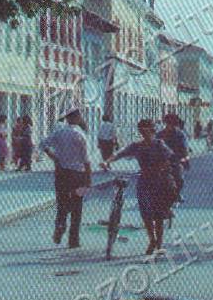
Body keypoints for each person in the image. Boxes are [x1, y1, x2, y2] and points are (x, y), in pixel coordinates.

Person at [103, 119, 182, 255]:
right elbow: (120, 153)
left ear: (152, 131)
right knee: (145, 213)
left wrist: (162, 167)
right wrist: (107, 162)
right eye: (142, 131)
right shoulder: (136, 146)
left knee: (158, 214)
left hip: (159, 180)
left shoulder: (159, 145)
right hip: (145, 181)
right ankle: (152, 239)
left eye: (147, 131)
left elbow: (171, 158)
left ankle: (159, 244)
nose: (145, 134)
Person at [39, 109, 91, 248]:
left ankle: (60, 225)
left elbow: (42, 144)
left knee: (62, 202)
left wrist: (54, 157)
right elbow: (86, 159)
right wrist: (88, 179)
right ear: (77, 118)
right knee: (76, 206)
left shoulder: (59, 132)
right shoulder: (80, 134)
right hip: (77, 174)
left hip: (61, 172)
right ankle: (73, 239)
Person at [158, 113, 190, 203]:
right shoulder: (160, 134)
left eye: (172, 124)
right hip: (161, 161)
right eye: (168, 123)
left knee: (180, 178)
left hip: (175, 160)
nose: (169, 126)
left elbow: (184, 148)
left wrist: (184, 160)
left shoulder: (180, 135)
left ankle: (177, 193)